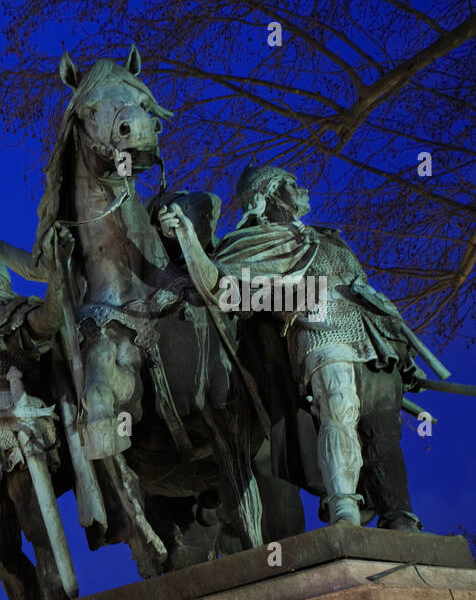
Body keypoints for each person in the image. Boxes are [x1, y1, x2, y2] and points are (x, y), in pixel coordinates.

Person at [160, 164, 427, 529]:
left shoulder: (328, 238)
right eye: (290, 183)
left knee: (383, 427)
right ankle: (343, 507)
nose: (301, 188)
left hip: (373, 339)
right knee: (339, 408)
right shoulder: (252, 241)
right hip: (318, 331)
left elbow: (367, 295)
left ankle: (399, 516)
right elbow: (223, 288)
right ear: (266, 195)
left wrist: (403, 348)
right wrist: (189, 239)